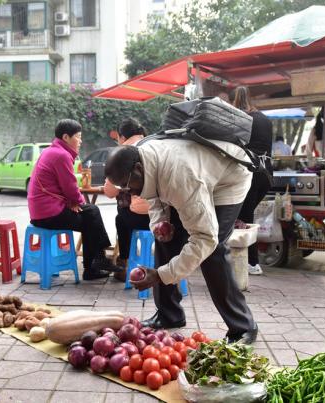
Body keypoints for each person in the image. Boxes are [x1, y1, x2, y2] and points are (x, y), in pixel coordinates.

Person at [105, 140, 258, 344]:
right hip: (195, 174)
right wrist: (160, 224)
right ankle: (169, 314)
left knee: (213, 251)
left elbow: (204, 238)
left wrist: (161, 275)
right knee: (166, 238)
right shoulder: (144, 159)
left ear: (139, 169)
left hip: (229, 178)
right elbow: (153, 195)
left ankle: (243, 326)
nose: (127, 192)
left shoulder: (180, 178)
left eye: (125, 185)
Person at [28, 119, 120, 280]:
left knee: (90, 215)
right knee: (91, 213)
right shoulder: (61, 155)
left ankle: (96, 263)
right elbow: (70, 188)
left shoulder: (51, 151)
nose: (80, 141)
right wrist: (78, 202)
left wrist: (75, 203)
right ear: (66, 137)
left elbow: (64, 189)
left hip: (42, 212)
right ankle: (96, 263)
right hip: (49, 214)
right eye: (78, 136)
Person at [232, 86, 273, 275]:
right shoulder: (264, 118)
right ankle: (242, 259)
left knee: (244, 217)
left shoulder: (240, 118)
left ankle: (252, 263)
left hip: (250, 173)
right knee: (244, 215)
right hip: (266, 175)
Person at [103, 118, 150, 281]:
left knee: (121, 216)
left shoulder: (122, 153)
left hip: (142, 218)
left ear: (122, 137)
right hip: (167, 218)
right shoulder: (154, 145)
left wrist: (121, 189)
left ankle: (125, 262)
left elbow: (109, 191)